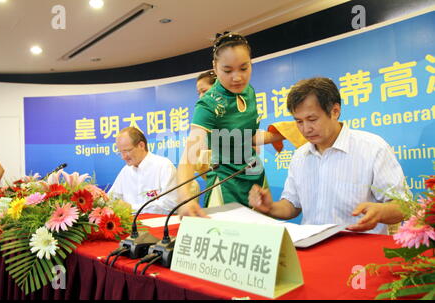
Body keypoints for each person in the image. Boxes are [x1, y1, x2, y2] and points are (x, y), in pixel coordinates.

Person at [249, 77, 408, 234]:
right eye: (299, 121)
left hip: (360, 251)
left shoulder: (373, 148)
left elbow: (403, 206)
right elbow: (292, 205)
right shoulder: (300, 156)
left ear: (335, 111)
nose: (306, 129)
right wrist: (270, 207)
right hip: (312, 249)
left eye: (312, 119)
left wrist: (380, 212)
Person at [177, 32, 287, 218]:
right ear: (215, 66)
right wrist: (184, 198)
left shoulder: (248, 92)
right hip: (225, 183)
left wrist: (283, 133)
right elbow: (190, 155)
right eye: (228, 71)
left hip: (254, 178)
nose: (237, 78)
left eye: (244, 68)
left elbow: (246, 137)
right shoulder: (209, 104)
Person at [108, 127, 178, 214]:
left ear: (141, 145)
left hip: (159, 223)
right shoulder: (126, 171)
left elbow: (170, 205)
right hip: (130, 225)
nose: (123, 157)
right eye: (120, 152)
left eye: (127, 151)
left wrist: (131, 208)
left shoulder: (164, 166)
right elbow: (111, 199)